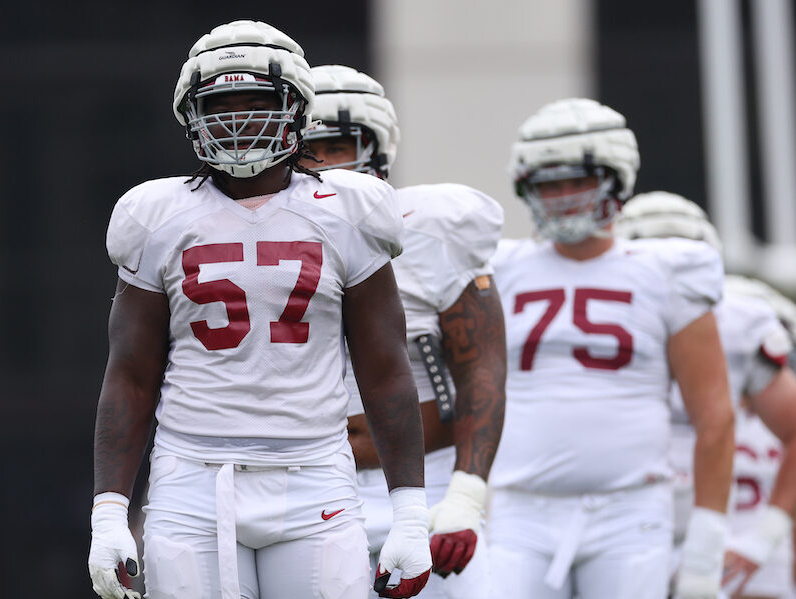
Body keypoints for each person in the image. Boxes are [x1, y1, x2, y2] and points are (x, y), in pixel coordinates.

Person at [88, 21, 432, 599]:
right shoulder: (155, 213)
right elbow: (129, 374)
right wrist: (108, 513)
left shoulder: (349, 208)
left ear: (296, 111)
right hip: (192, 476)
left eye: (258, 104)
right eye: (222, 106)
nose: (240, 121)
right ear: (191, 116)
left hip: (315, 474)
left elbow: (385, 368)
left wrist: (412, 512)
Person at [485, 98, 736, 599]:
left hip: (630, 510)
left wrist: (704, 552)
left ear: (615, 177)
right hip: (519, 508)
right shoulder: (500, 266)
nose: (560, 197)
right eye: (547, 184)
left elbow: (716, 417)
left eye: (575, 181)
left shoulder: (668, 269)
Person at [299, 65, 507, 598]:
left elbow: (481, 366)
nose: (321, 162)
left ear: (377, 148)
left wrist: (465, 494)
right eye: (307, 146)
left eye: (338, 145)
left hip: (422, 484)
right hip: (305, 490)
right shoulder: (254, 236)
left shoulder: (430, 226)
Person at [615, 193, 796, 598]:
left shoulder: (739, 328)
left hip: (721, 548)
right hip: (624, 536)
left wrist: (760, 541)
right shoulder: (592, 338)